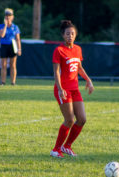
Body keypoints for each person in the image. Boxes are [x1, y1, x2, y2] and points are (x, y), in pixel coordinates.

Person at [50, 20, 94, 158]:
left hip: (75, 89)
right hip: (63, 89)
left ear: (75, 35)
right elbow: (56, 72)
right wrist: (60, 88)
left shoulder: (78, 49)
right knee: (69, 120)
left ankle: (67, 146)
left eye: (72, 33)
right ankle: (56, 150)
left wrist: (88, 80)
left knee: (82, 119)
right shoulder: (59, 50)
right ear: (63, 35)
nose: (70, 36)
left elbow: (79, 67)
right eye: (67, 33)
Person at [0, 8, 22, 85]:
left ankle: (13, 82)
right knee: (3, 65)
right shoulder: (1, 26)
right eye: (6, 15)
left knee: (13, 65)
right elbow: (2, 35)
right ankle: (3, 82)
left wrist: (19, 49)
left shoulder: (15, 27)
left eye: (9, 16)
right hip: (4, 45)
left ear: (12, 17)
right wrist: (5, 25)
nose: (8, 17)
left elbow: (18, 39)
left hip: (12, 46)